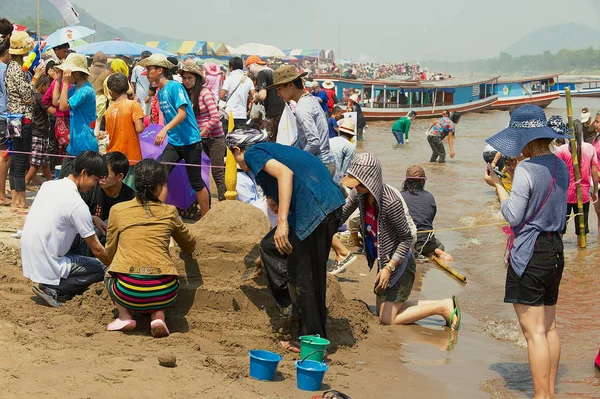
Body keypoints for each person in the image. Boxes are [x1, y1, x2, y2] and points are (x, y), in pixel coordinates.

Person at [226, 127, 344, 351]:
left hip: (315, 210)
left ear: (237, 150)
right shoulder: (273, 150)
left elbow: (285, 174)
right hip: (330, 206)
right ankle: (300, 315)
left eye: (233, 155)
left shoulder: (253, 153)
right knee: (272, 248)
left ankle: (307, 334)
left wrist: (282, 223)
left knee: (305, 275)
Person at [484, 105, 570, 399]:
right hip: (556, 249)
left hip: (531, 252)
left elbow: (513, 216)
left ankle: (541, 395)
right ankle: (550, 392)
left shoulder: (526, 169)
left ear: (523, 138)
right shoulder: (560, 164)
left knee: (534, 333)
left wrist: (498, 185)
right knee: (550, 328)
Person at [340, 153, 461, 328]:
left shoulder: (390, 201)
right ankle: (442, 303)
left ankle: (442, 307)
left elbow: (405, 239)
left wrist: (389, 268)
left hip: (400, 261)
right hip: (384, 260)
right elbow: (340, 215)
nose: (355, 187)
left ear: (369, 179)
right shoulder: (359, 193)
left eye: (357, 182)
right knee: (384, 311)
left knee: (387, 320)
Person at [104, 158, 196, 337]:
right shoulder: (170, 212)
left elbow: (110, 250)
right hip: (165, 291)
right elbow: (189, 244)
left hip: (126, 290)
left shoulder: (117, 210)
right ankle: (158, 315)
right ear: (160, 187)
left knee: (108, 271)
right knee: (163, 282)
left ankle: (124, 316)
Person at [21, 151, 110, 308]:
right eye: (95, 180)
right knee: (104, 268)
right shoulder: (77, 204)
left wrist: (92, 218)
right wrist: (116, 268)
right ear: (84, 173)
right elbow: (97, 249)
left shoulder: (48, 185)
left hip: (31, 255)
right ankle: (56, 288)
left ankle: (52, 281)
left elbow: (60, 214)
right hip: (50, 261)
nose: (94, 186)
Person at [140, 54, 210, 216]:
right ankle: (159, 216)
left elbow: (182, 114)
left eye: (150, 69)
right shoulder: (161, 92)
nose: (147, 73)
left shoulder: (174, 87)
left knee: (196, 182)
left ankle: (206, 218)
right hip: (175, 142)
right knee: (160, 175)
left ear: (160, 70)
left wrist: (164, 130)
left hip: (191, 141)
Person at [268, 65, 335, 174]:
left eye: (279, 89)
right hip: (325, 162)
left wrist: (297, 160)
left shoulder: (302, 107)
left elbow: (314, 142)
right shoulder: (311, 100)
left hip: (319, 165)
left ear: (290, 85)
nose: (278, 94)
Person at [5, 31, 45, 211]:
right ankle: (18, 201)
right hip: (22, 118)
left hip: (14, 117)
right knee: (20, 159)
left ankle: (17, 199)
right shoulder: (15, 68)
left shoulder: (13, 67)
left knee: (16, 158)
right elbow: (28, 93)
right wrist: (36, 76)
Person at [179, 61, 226, 201]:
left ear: (197, 78)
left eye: (189, 78)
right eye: (184, 78)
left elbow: (215, 117)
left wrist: (201, 133)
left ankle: (224, 203)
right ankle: (207, 202)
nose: (186, 81)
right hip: (198, 138)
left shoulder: (205, 93)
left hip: (214, 138)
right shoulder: (187, 95)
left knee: (217, 171)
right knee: (201, 172)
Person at [55, 53, 98, 178]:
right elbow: (56, 102)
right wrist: (58, 81)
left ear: (76, 73)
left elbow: (63, 107)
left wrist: (65, 83)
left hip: (85, 145)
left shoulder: (85, 90)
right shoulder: (76, 89)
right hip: (74, 145)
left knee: (82, 186)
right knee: (63, 181)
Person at [555, 118, 598, 244]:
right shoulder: (590, 148)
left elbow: (557, 174)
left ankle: (559, 252)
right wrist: (594, 191)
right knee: (582, 229)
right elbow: (594, 172)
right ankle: (582, 256)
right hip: (583, 195)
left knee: (561, 228)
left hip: (565, 195)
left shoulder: (561, 150)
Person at [400, 165, 453, 262]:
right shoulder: (430, 197)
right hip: (426, 243)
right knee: (440, 245)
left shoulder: (399, 196)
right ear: (422, 181)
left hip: (405, 244)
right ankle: (436, 251)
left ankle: (417, 252)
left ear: (406, 181)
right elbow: (429, 219)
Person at [105, 73, 144, 188]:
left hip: (113, 156)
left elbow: (110, 132)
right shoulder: (133, 105)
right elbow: (139, 128)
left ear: (110, 91)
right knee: (130, 190)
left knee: (116, 188)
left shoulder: (109, 110)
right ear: (127, 87)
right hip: (131, 156)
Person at [246, 55, 285, 141]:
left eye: (249, 68)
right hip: (281, 111)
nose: (249, 72)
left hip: (273, 112)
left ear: (254, 64)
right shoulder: (272, 71)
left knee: (269, 140)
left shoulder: (262, 73)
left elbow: (262, 95)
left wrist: (256, 96)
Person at [25, 75, 53, 185]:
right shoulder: (41, 98)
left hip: (39, 132)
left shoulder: (33, 96)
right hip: (39, 133)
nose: (49, 88)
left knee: (45, 162)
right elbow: (52, 111)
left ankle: (50, 182)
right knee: (36, 163)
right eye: (48, 86)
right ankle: (25, 182)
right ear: (42, 86)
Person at [220, 56, 255, 128]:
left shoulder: (229, 79)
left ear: (231, 67)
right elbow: (254, 96)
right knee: (239, 136)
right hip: (242, 114)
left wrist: (226, 99)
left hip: (229, 114)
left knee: (229, 136)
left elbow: (221, 96)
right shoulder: (248, 80)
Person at [0, 36, 12, 205]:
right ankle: (1, 193)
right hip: (3, 115)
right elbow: (7, 92)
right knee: (5, 156)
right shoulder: (4, 70)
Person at [329, 118, 356, 184]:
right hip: (335, 180)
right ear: (351, 136)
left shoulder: (330, 140)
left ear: (340, 132)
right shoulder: (350, 147)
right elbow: (345, 170)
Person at [131, 50, 152, 115]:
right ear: (142, 58)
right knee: (138, 114)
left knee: (147, 114)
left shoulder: (152, 69)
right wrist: (133, 94)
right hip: (139, 95)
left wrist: (149, 95)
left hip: (149, 95)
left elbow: (153, 84)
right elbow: (132, 82)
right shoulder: (137, 69)